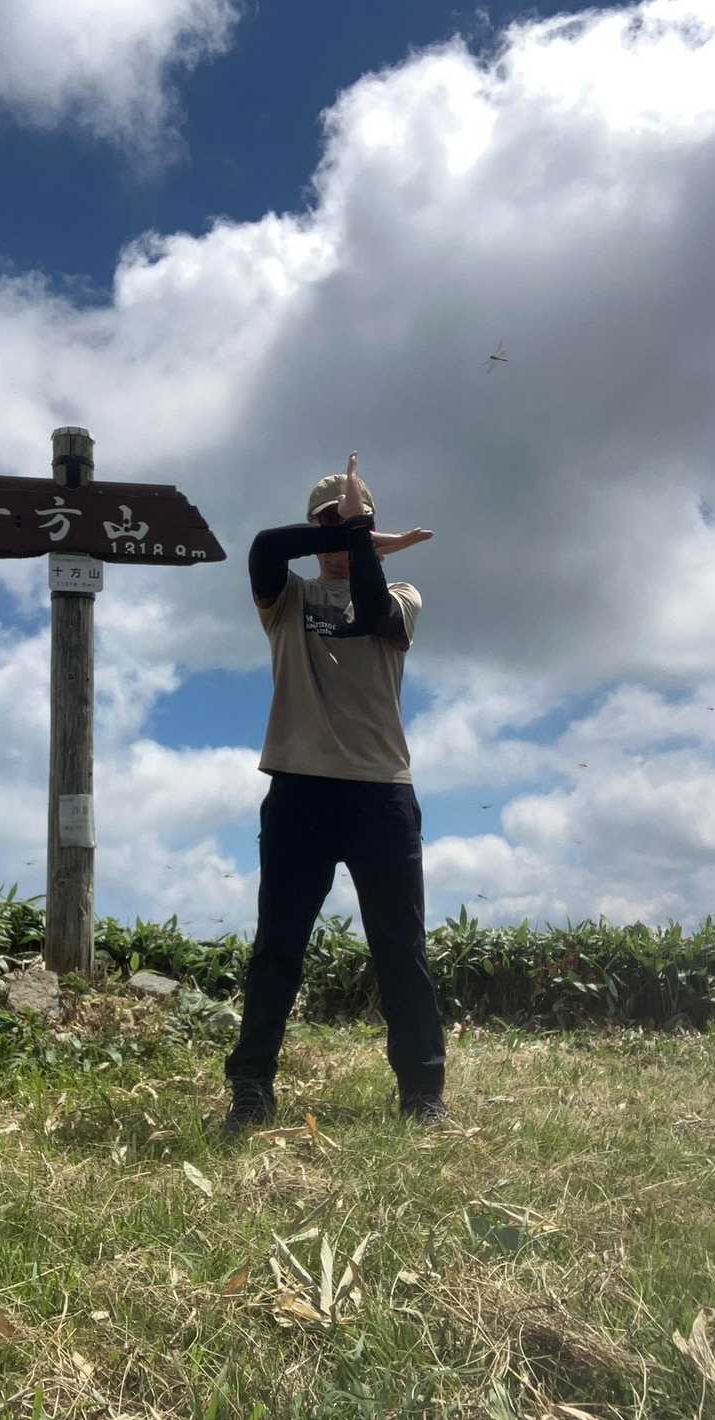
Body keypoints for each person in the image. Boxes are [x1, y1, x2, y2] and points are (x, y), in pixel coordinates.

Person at [223, 454, 448, 1131]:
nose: (340, 537)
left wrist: (364, 541)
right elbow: (264, 549)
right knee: (278, 949)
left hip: (382, 794)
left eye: (352, 523)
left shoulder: (402, 595)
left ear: (370, 529)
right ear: (313, 528)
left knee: (400, 951)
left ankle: (423, 1095)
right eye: (325, 525)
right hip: (299, 790)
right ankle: (251, 1090)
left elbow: (374, 611)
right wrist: (350, 530)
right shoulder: (286, 600)